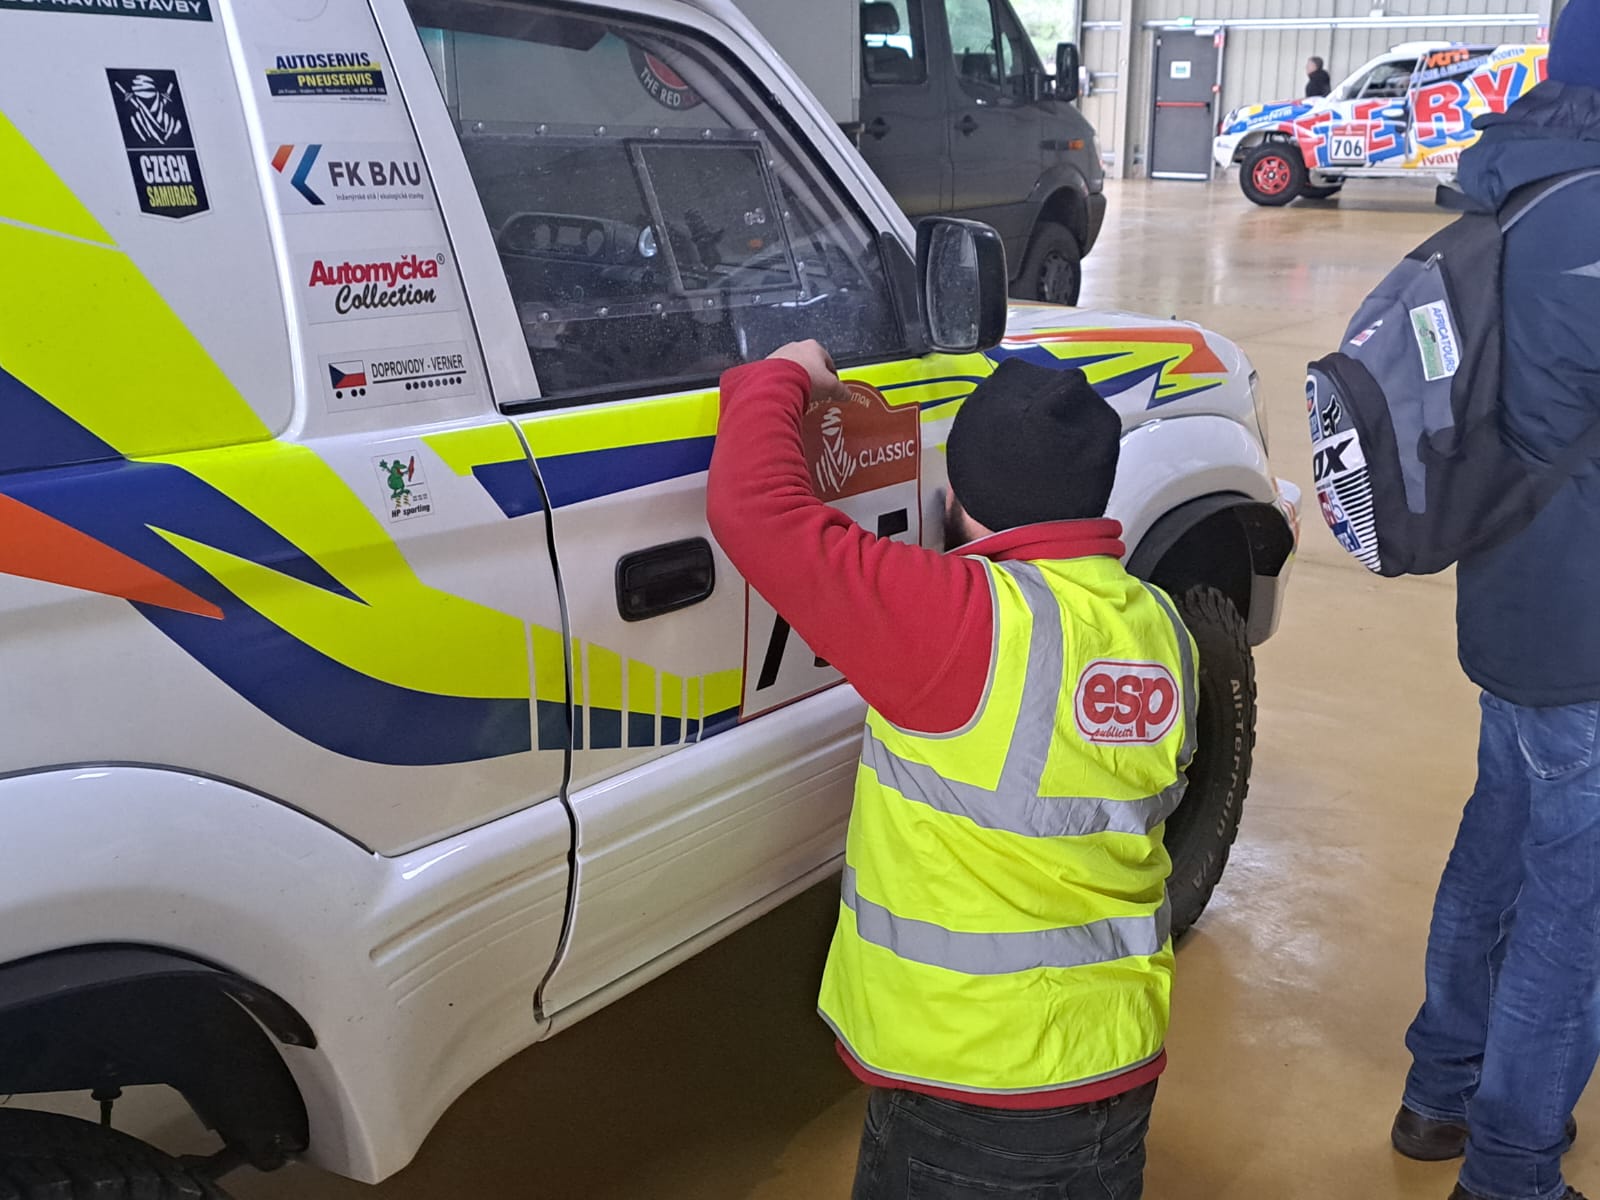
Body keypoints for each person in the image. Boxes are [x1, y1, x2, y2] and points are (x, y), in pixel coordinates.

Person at [706, 344, 1197, 1199]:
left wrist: (782, 373)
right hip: (1116, 1059)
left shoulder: (963, 622)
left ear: (956, 499)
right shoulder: (1159, 624)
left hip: (975, 1087)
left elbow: (754, 511)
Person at [1391, 4, 1600, 1199]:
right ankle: (1512, 1167)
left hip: (1508, 585)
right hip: (1588, 627)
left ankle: (1440, 1091)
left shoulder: (1510, 193)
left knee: (1497, 839)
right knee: (1574, 905)